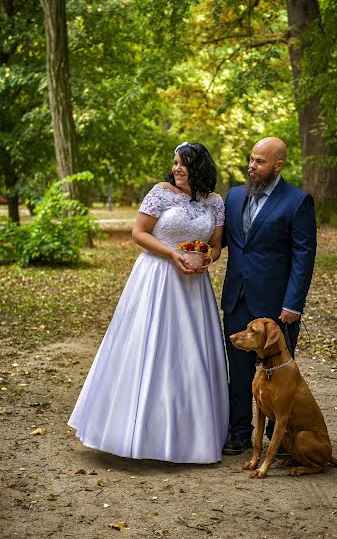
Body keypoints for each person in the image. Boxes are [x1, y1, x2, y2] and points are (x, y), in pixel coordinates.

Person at [68, 142, 229, 464]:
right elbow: (139, 233)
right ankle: (134, 431)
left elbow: (216, 244)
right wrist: (173, 254)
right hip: (157, 277)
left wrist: (205, 257)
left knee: (190, 354)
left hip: (194, 286)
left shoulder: (215, 202)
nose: (177, 169)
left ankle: (191, 436)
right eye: (174, 163)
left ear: (199, 167)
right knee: (149, 346)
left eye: (183, 164)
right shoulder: (160, 192)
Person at [221, 137, 317, 455]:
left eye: (260, 162)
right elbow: (221, 241)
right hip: (237, 298)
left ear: (279, 165)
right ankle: (238, 433)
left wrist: (293, 303)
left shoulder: (297, 201)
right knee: (239, 371)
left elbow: (304, 255)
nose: (252, 166)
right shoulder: (234, 196)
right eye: (251, 159)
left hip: (277, 307)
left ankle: (281, 436)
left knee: (278, 375)